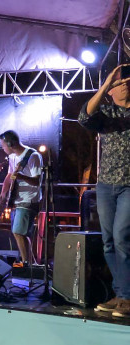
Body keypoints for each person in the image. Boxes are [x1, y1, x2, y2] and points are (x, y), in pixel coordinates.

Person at [78, 64, 130, 318]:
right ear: (110, 91)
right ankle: (121, 294)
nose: (125, 84)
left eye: (127, 81)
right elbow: (84, 117)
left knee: (121, 238)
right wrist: (107, 82)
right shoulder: (107, 113)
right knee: (108, 242)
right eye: (120, 83)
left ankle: (127, 297)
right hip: (106, 186)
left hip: (129, 186)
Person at [0, 130, 43, 268]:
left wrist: (21, 176)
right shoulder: (12, 157)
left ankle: (26, 264)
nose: (2, 148)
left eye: (3, 145)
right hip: (16, 200)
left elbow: (37, 181)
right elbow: (9, 176)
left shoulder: (33, 156)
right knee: (22, 233)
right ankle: (29, 264)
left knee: (18, 231)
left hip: (29, 200)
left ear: (10, 144)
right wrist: (3, 193)